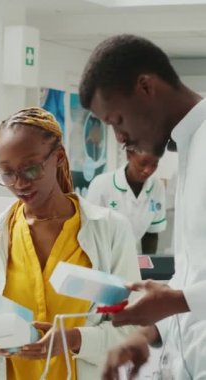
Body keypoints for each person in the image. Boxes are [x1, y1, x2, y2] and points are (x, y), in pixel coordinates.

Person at [79, 34, 206, 379]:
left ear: (146, 87)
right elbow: (195, 276)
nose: (119, 139)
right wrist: (149, 332)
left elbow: (190, 294)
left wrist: (177, 301)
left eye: (117, 121)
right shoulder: (189, 147)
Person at [0, 107, 141, 380]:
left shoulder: (109, 231)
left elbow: (132, 331)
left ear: (59, 158)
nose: (19, 183)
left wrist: (74, 339)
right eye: (7, 173)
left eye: (31, 169)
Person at [87, 148, 166, 254]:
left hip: (129, 256)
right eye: (143, 163)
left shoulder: (157, 186)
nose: (148, 170)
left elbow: (151, 234)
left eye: (154, 165)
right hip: (101, 254)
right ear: (129, 155)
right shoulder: (101, 185)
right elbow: (90, 232)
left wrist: (150, 267)